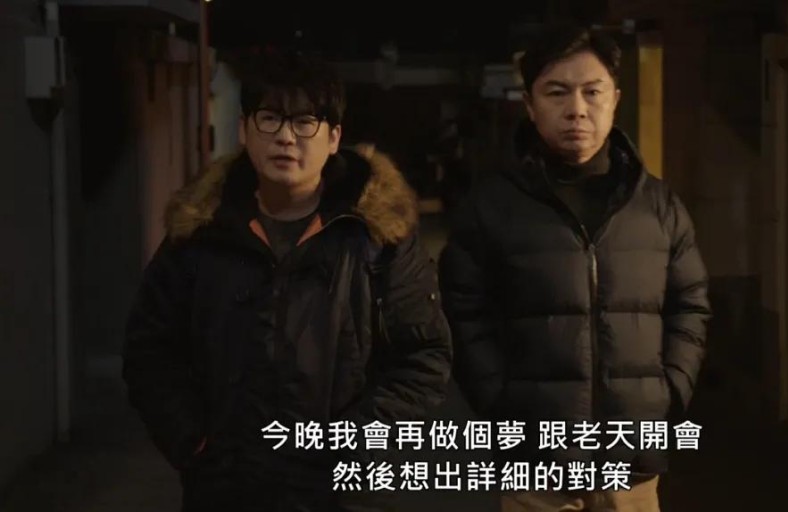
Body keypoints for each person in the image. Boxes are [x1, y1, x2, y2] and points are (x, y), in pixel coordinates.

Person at [123, 48, 452, 512]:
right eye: (270, 118)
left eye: (304, 122)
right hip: (226, 491)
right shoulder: (199, 234)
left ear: (333, 137)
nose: (285, 137)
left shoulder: (377, 238)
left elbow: (424, 356)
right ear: (244, 129)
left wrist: (353, 443)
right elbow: (149, 349)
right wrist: (194, 442)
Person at [439, 24, 711, 512]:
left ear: (615, 99)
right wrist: (498, 399)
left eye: (593, 91)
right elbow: (462, 311)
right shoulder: (490, 207)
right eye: (557, 92)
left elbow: (690, 303)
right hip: (534, 466)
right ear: (530, 103)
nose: (577, 109)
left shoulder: (657, 205)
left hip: (631, 464)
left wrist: (670, 390)